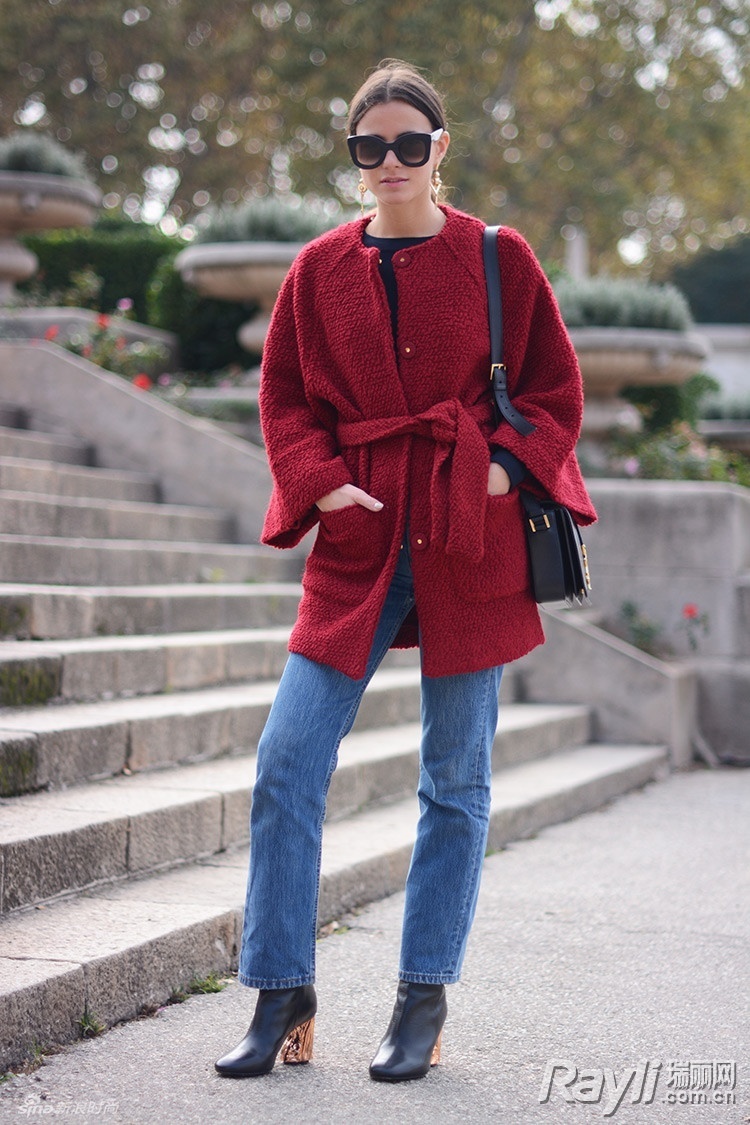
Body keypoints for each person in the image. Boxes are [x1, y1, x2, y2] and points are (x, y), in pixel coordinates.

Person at [215, 58, 596, 1083]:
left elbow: (555, 391)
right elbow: (285, 397)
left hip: (469, 536)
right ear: (354, 155)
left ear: (440, 149)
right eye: (370, 145)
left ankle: (421, 998)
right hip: (362, 538)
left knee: (455, 778)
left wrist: (503, 472)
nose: (391, 161)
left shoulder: (497, 256)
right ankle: (281, 993)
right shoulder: (317, 269)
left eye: (410, 143)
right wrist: (322, 483)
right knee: (288, 760)